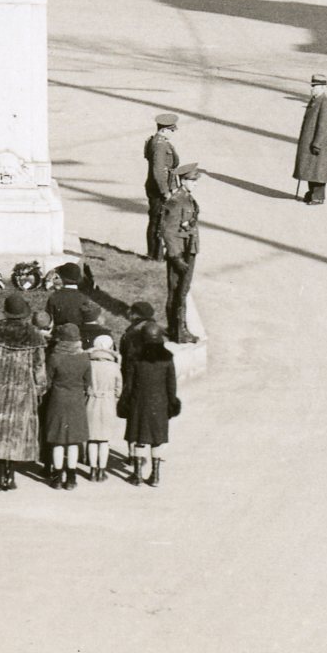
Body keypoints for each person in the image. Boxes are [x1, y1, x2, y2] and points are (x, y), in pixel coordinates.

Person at [0, 296, 47, 491]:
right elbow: (39, 367)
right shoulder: (33, 335)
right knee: (16, 432)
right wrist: (40, 389)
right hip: (23, 391)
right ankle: (10, 475)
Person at [119, 317, 179, 486]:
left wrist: (125, 402)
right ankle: (155, 475)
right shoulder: (167, 358)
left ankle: (137, 475)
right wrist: (171, 403)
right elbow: (171, 384)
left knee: (139, 437)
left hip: (139, 403)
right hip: (160, 403)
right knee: (157, 439)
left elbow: (129, 384)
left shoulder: (135, 357)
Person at [43, 319, 97, 488]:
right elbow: (88, 382)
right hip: (76, 401)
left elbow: (48, 381)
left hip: (57, 400)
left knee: (58, 440)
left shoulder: (55, 357)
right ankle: (72, 478)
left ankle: (58, 477)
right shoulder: (84, 358)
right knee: (73, 441)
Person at [158, 166, 203, 343]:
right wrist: (176, 257)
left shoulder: (187, 198)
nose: (195, 184)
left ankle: (178, 328)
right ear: (183, 180)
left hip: (188, 249)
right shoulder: (176, 201)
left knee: (182, 291)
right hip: (181, 252)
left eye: (196, 181)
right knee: (177, 291)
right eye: (192, 180)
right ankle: (178, 331)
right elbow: (167, 231)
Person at [142, 114, 182, 257]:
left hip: (159, 187)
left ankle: (155, 253)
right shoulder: (160, 145)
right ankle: (154, 255)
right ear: (164, 130)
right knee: (157, 222)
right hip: (159, 189)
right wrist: (165, 191)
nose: (173, 133)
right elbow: (158, 171)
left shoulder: (158, 141)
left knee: (159, 220)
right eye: (172, 130)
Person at [293, 76, 327, 205]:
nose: (312, 89)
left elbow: (324, 126)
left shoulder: (325, 102)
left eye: (315, 86)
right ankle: (311, 194)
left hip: (317, 143)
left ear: (322, 87)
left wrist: (317, 143)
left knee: (318, 171)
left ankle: (318, 197)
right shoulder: (315, 100)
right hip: (310, 140)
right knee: (311, 169)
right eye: (312, 86)